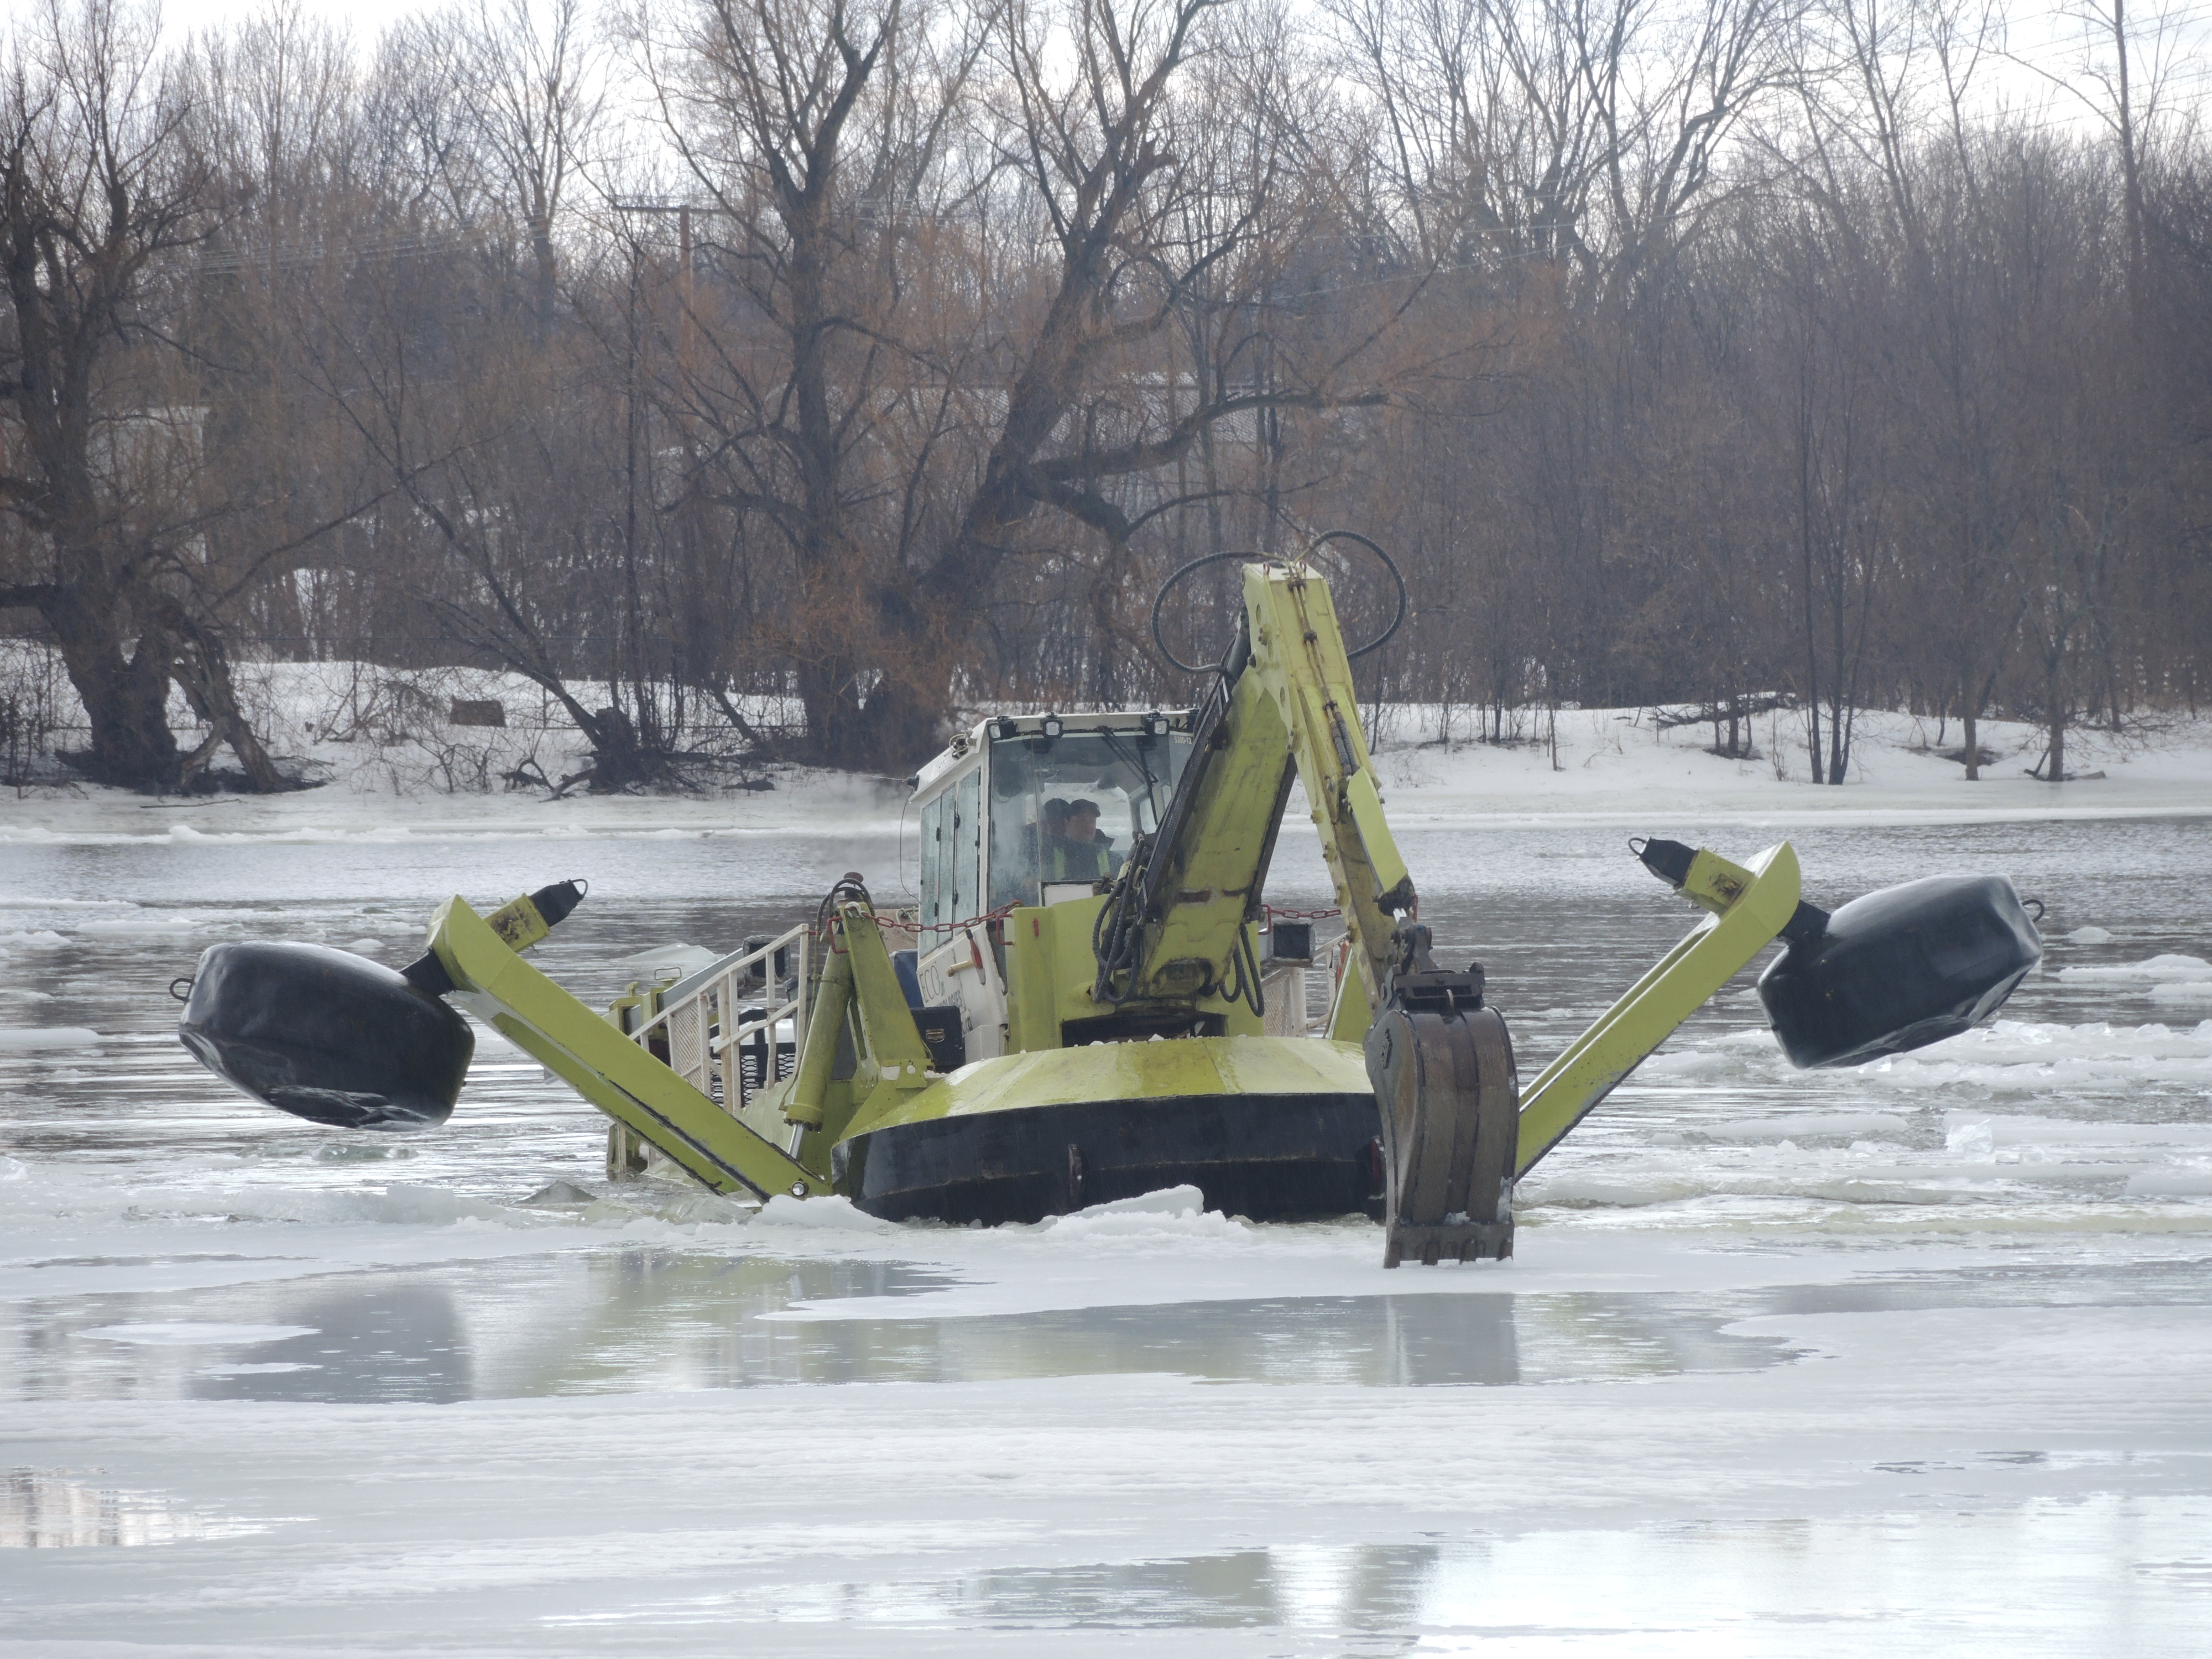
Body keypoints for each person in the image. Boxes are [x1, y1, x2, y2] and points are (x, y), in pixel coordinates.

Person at [1050, 797, 1120, 881]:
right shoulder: (1048, 856)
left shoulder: (1114, 859)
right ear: (1066, 823)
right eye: (1081, 820)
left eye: (1092, 821)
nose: (1088, 825)